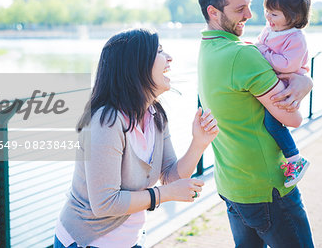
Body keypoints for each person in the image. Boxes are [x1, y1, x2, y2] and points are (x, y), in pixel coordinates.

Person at [54, 28, 219, 248]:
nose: (169, 58)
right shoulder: (107, 121)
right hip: (87, 241)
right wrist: (165, 194)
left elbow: (171, 177)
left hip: (130, 240)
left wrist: (199, 143)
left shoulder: (155, 115)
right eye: (159, 51)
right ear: (136, 65)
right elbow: (104, 203)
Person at [197, 0, 314, 247]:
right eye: (240, 9)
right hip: (267, 190)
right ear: (213, 12)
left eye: (250, 6)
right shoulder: (244, 55)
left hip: (231, 186)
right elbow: (293, 118)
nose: (250, 15)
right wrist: (305, 82)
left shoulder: (208, 49)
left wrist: (302, 79)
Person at [256, 0, 312, 188]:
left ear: (293, 17)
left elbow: (287, 64)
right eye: (266, 12)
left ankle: (294, 158)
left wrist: (262, 51)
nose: (268, 18)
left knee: (273, 124)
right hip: (273, 84)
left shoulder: (295, 37)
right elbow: (258, 47)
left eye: (274, 14)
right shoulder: (270, 30)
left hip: (286, 89)